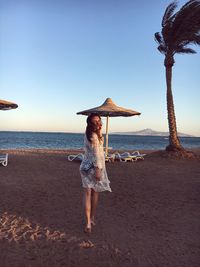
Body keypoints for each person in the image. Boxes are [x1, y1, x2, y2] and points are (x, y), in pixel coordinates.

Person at [80, 113, 112, 233]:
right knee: (93, 194)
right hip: (94, 168)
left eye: (99, 120)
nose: (97, 123)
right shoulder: (93, 135)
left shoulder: (89, 133)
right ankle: (90, 220)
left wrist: (100, 131)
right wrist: (98, 170)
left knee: (89, 194)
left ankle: (90, 220)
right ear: (90, 123)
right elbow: (97, 154)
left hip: (85, 167)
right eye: (95, 121)